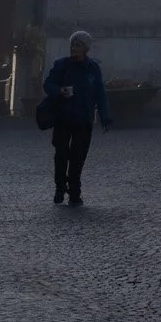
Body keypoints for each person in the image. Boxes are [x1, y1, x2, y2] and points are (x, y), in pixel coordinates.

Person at [43, 29, 111, 206]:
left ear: (86, 48)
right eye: (73, 44)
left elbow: (100, 94)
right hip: (63, 118)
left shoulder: (92, 68)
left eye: (78, 44)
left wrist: (105, 117)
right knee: (61, 155)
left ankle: (74, 192)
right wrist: (59, 91)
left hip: (83, 119)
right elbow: (48, 84)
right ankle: (59, 188)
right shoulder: (61, 65)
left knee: (78, 157)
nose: (74, 48)